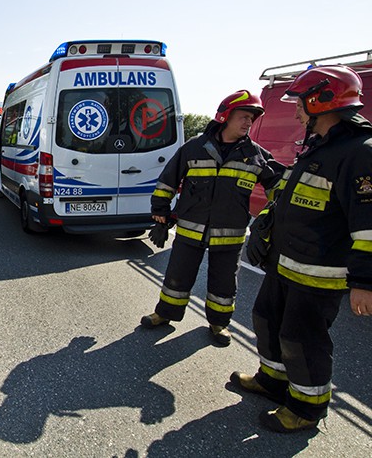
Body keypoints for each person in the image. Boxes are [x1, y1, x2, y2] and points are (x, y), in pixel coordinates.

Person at [232, 65, 372, 432]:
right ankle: (273, 381)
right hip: (285, 263)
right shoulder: (319, 148)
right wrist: (265, 229)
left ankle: (307, 409)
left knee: (302, 339)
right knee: (267, 320)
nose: (295, 112)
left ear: (321, 101)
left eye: (299, 104)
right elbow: (289, 196)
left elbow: (369, 226)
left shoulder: (360, 153)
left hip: (318, 273)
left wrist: (365, 282)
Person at [142, 90, 285, 346]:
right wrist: (160, 213)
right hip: (190, 229)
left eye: (251, 119)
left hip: (230, 235)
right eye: (243, 116)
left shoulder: (256, 155)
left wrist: (271, 220)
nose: (248, 123)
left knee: (224, 284)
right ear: (225, 116)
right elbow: (168, 180)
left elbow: (280, 190)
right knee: (177, 276)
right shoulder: (194, 147)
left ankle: (219, 323)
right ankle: (165, 313)